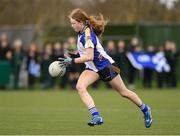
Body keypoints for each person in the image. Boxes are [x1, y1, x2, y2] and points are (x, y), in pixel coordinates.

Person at [58, 8, 152, 128]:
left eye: (73, 23)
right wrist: (73, 55)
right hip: (92, 69)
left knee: (124, 93)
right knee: (80, 87)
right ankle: (96, 116)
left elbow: (90, 56)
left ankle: (145, 109)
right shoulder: (81, 32)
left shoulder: (87, 36)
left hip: (106, 67)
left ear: (80, 22)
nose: (72, 26)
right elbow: (86, 54)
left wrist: (72, 60)